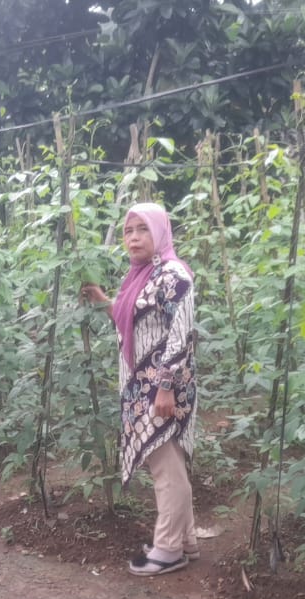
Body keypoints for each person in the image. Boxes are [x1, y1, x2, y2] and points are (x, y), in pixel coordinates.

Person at [81, 202, 198, 576]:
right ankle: (185, 540)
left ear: (160, 232)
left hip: (162, 386)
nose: (133, 238)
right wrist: (103, 302)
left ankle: (168, 549)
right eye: (128, 231)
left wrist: (165, 387)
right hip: (142, 386)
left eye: (143, 229)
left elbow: (181, 333)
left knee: (165, 467)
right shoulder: (142, 275)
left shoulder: (174, 275)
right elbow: (133, 317)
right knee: (170, 463)